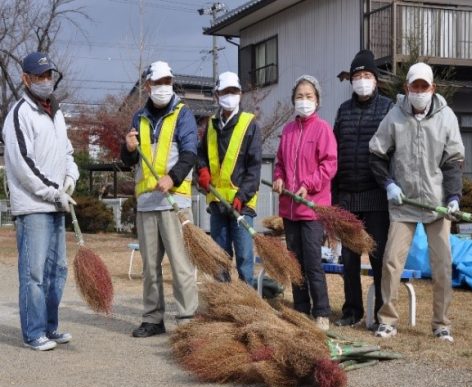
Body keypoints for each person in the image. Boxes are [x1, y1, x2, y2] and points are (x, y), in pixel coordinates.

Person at [369, 62, 465, 342]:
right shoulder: (394, 116)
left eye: (425, 87)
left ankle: (441, 323)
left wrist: (454, 197)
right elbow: (376, 154)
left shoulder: (447, 117)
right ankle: (387, 320)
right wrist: (388, 184)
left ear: (433, 88)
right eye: (415, 86)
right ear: (407, 88)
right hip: (403, 203)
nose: (420, 91)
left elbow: (453, 161)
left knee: (443, 265)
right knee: (390, 262)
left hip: (437, 205)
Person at [2, 52, 79, 351]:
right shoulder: (19, 114)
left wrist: (70, 178)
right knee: (33, 273)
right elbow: (22, 165)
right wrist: (53, 191)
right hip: (34, 206)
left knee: (56, 270)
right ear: (25, 79)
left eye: (48, 75)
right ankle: (33, 332)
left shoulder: (56, 113)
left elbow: (68, 153)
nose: (45, 81)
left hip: (57, 204)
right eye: (39, 76)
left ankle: (50, 326)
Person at [121, 60, 198, 337]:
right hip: (146, 204)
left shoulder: (182, 114)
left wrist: (173, 177)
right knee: (150, 268)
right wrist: (128, 148)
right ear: (148, 86)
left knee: (181, 265)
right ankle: (153, 318)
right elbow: (129, 159)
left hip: (174, 203)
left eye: (168, 82)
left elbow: (190, 153)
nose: (164, 87)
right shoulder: (139, 118)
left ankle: (188, 318)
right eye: (159, 83)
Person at [332, 50, 393, 330]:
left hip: (377, 197)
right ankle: (352, 310)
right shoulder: (343, 110)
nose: (362, 80)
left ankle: (382, 312)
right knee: (349, 259)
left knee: (379, 257)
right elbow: (335, 153)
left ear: (376, 80)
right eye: (357, 76)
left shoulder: (389, 109)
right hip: (346, 196)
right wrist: (334, 198)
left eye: (367, 75)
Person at [272, 75, 337, 332]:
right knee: (294, 263)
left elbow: (329, 165)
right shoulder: (287, 131)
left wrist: (308, 185)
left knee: (311, 262)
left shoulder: (323, 130)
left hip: (312, 209)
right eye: (299, 96)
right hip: (289, 209)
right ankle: (300, 309)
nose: (304, 100)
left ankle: (321, 311)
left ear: (317, 100)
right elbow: (279, 164)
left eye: (309, 96)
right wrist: (278, 179)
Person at [197, 71, 262, 284]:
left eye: (233, 91)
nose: (229, 95)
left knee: (244, 259)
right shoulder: (212, 125)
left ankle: (247, 305)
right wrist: (203, 171)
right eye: (225, 91)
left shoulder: (249, 124)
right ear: (217, 94)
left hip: (241, 205)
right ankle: (225, 304)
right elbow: (201, 155)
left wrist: (242, 196)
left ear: (240, 94)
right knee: (219, 259)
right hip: (217, 203)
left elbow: (254, 167)